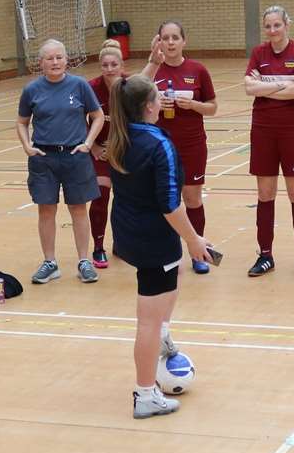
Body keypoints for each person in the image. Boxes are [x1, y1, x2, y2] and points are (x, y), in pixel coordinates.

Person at [104, 75, 214, 419]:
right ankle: (146, 393)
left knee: (175, 271)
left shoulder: (119, 138)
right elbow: (170, 204)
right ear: (150, 106)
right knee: (147, 322)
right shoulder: (158, 144)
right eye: (158, 98)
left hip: (127, 233)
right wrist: (194, 239)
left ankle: (163, 335)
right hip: (154, 237)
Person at [18, 39, 105, 285]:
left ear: (67, 60)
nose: (55, 62)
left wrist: (88, 144)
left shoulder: (79, 86)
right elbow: (22, 121)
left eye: (59, 57)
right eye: (49, 58)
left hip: (75, 156)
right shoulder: (32, 90)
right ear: (41, 63)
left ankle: (84, 261)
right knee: (46, 210)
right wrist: (27, 146)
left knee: (78, 208)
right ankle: (50, 262)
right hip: (43, 158)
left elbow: (97, 116)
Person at [244, 6, 294, 278]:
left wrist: (266, 86)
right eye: (268, 26)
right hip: (263, 129)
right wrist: (283, 87)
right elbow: (249, 87)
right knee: (265, 194)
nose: (273, 31)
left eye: (277, 25)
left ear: (287, 24)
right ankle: (265, 255)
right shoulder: (258, 53)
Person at [142, 21, 218, 273]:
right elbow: (135, 103)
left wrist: (193, 105)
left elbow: (213, 107)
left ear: (184, 41)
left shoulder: (198, 70)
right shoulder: (154, 72)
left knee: (192, 197)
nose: (171, 42)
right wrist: (155, 105)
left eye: (175, 37)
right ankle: (166, 252)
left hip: (192, 144)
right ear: (159, 42)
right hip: (160, 146)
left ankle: (198, 252)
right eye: (166, 38)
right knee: (161, 198)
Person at [87, 39, 127, 268]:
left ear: (121, 65)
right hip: (100, 151)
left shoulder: (130, 86)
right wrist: (93, 146)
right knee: (101, 195)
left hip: (124, 151)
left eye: (114, 64)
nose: (110, 69)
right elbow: (79, 120)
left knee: (124, 199)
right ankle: (98, 247)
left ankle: (121, 243)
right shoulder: (90, 88)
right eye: (105, 65)